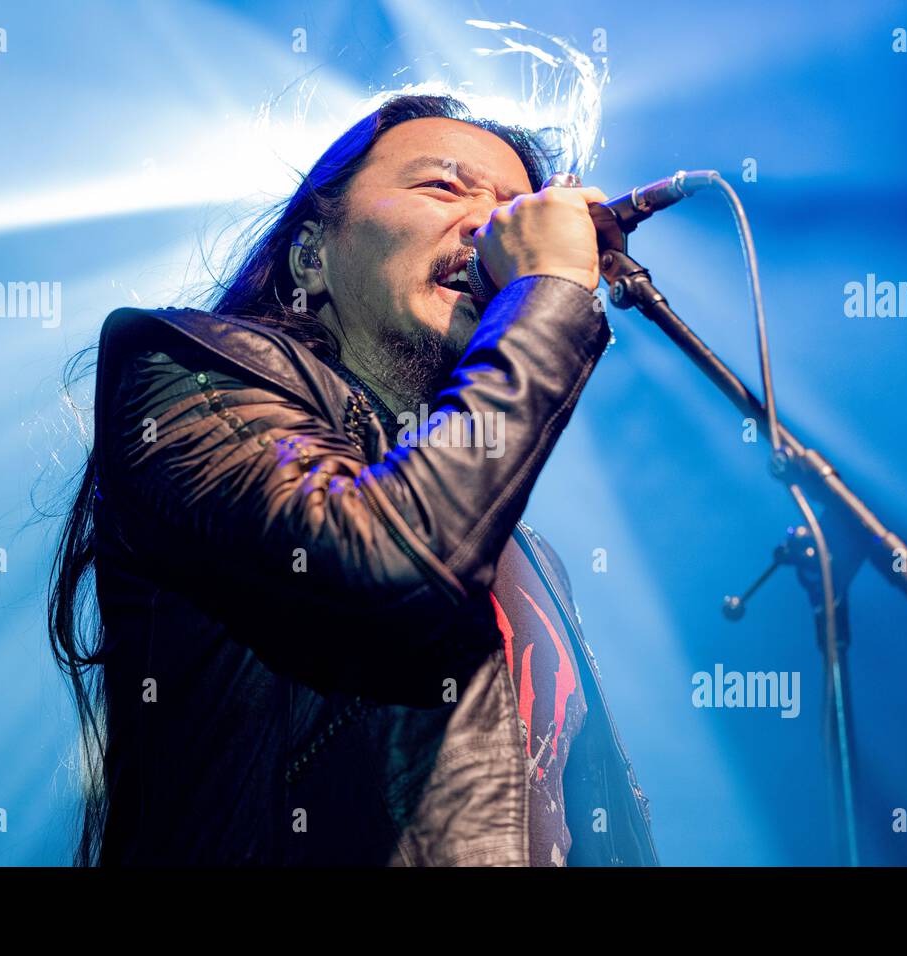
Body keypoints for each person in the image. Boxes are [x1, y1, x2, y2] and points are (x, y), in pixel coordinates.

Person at [48, 94, 658, 866]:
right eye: (444, 187)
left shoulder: (532, 560)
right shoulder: (182, 367)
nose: (490, 227)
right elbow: (385, 562)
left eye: (513, 210)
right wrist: (551, 296)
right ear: (312, 254)